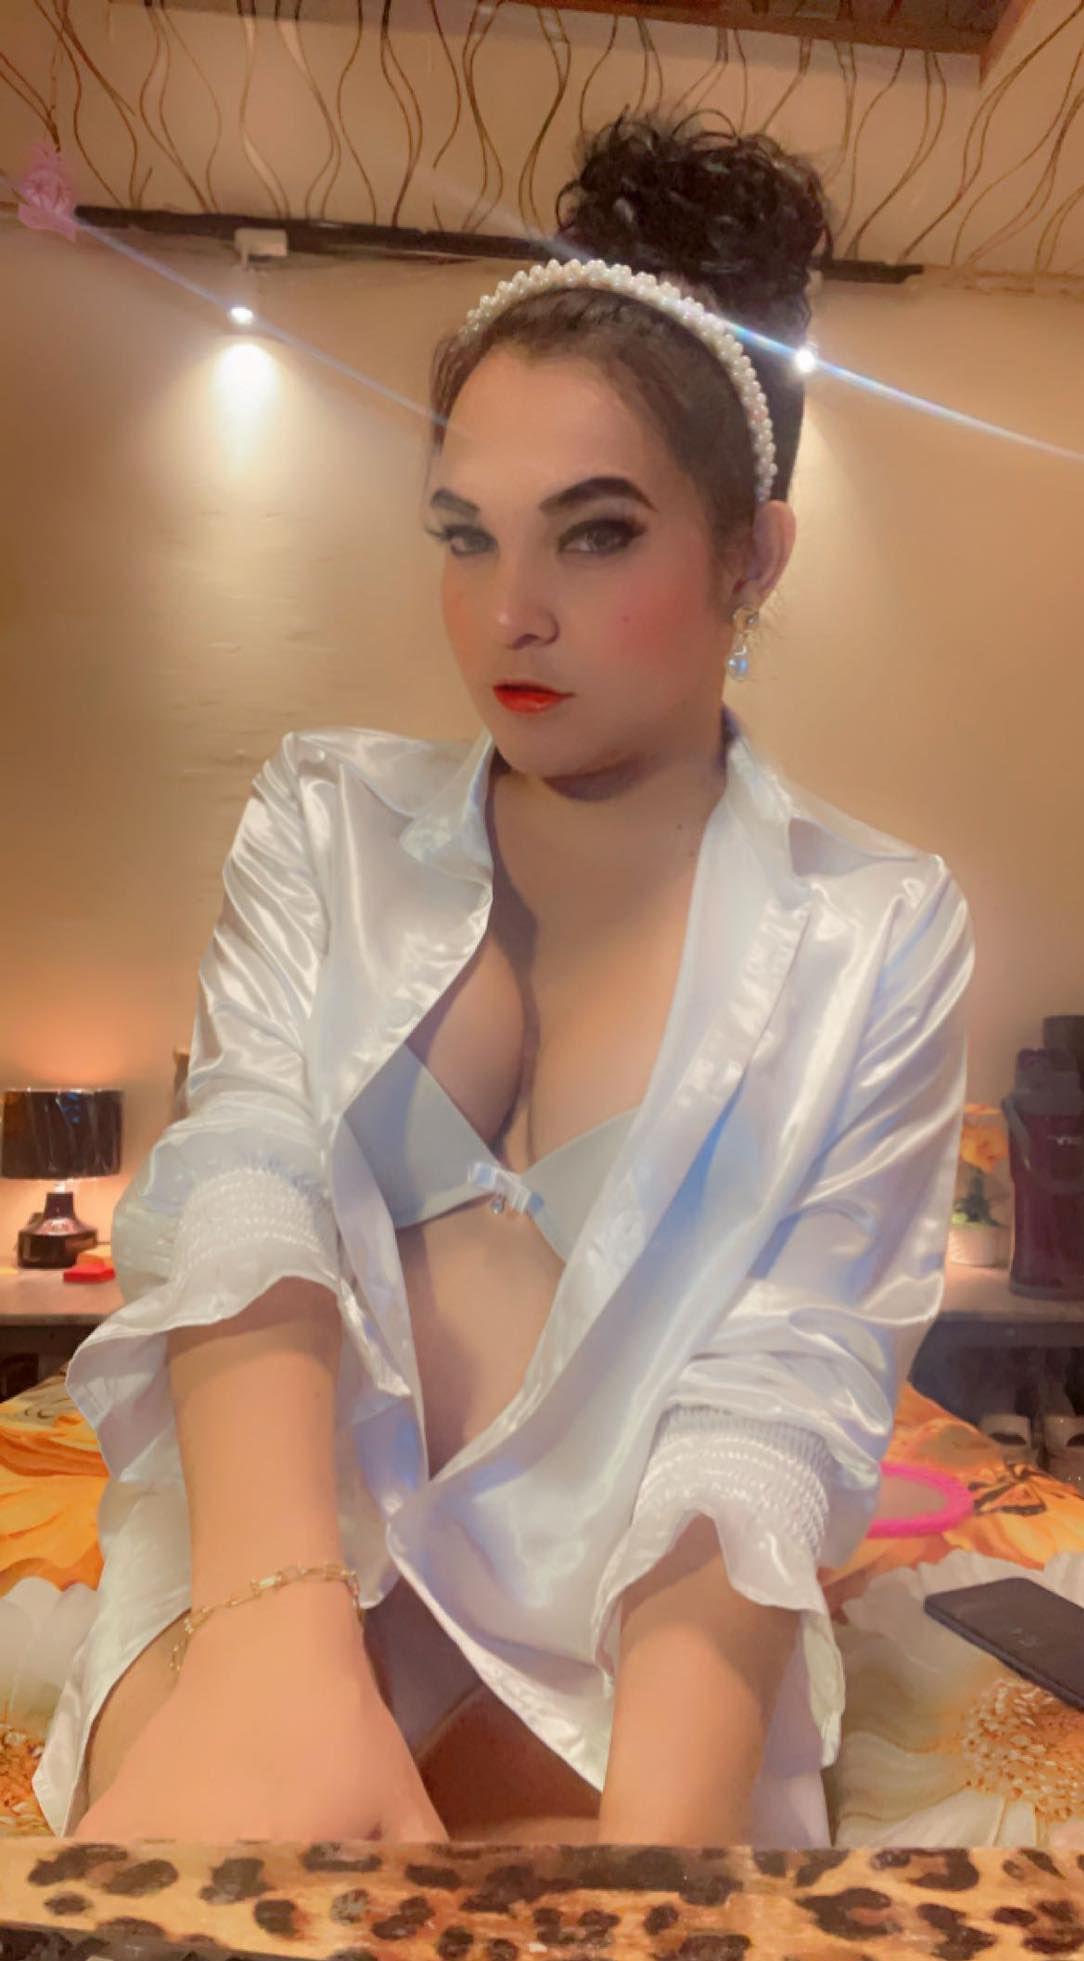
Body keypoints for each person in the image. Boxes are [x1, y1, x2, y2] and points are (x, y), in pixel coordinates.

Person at [34, 112, 975, 1847]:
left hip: (632, 1621)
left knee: (570, 1956)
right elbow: (244, 1171)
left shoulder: (874, 927)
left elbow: (784, 1381)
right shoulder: (327, 819)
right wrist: (271, 1642)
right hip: (275, 1557)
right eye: (465, 535)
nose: (507, 613)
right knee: (174, 1938)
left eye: (595, 535)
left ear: (754, 558)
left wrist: (659, 1875)